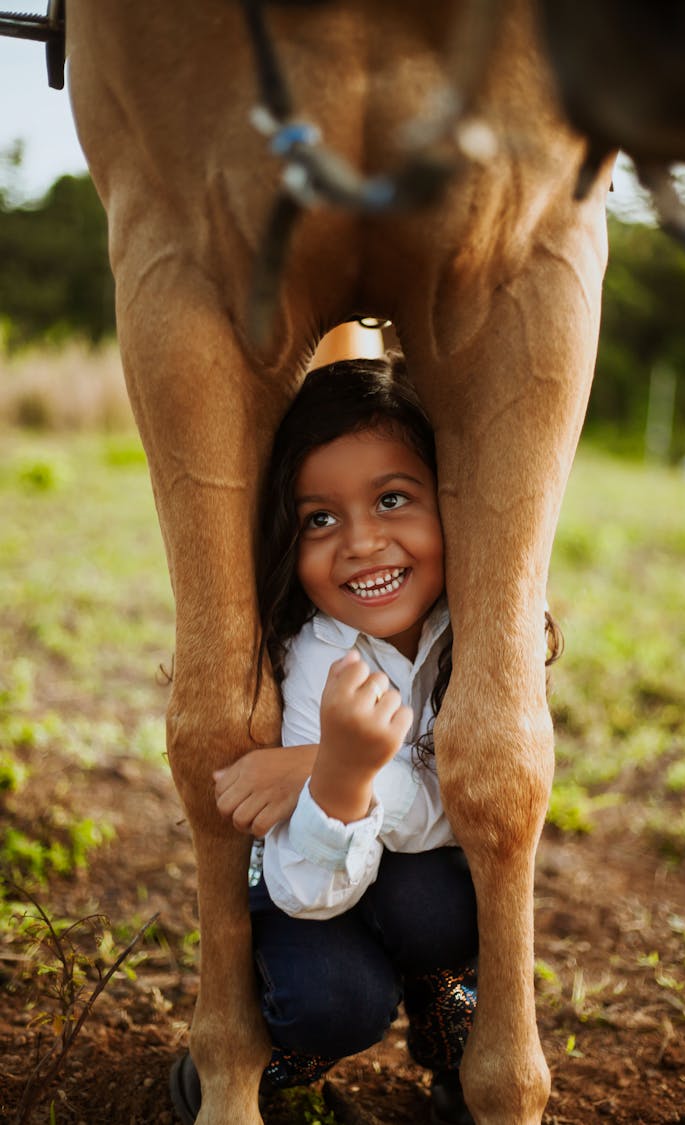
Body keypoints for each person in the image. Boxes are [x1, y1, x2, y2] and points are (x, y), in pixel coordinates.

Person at [170, 355, 559, 1125]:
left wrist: (333, 769)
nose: (361, 542)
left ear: (450, 501)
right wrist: (341, 784)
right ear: (291, 532)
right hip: (306, 889)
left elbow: (486, 808)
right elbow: (307, 893)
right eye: (320, 517)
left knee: (449, 903)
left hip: (399, 878)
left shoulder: (476, 632)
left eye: (391, 499)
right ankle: (269, 1068)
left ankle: (454, 1045)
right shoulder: (320, 658)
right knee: (338, 1001)